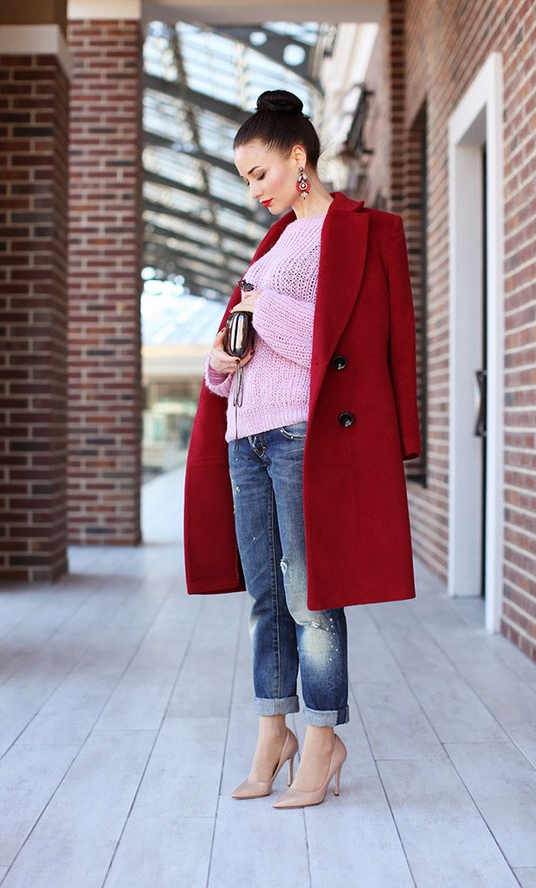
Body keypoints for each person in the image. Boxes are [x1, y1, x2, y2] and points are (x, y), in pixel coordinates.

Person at [184, 90, 420, 809]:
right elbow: (245, 345)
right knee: (266, 598)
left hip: (300, 435)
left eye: (259, 173)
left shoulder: (354, 233)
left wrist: (262, 309)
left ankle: (321, 739)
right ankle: (272, 733)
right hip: (245, 435)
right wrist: (218, 363)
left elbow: (341, 344)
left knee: (310, 597)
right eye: (244, 178)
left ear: (298, 157)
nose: (253, 190)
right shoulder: (276, 242)